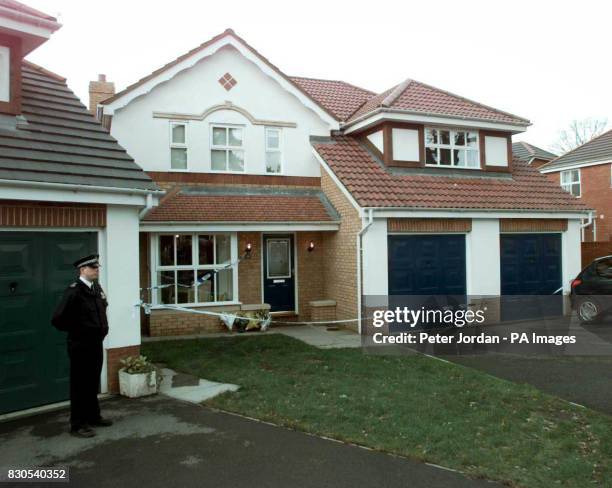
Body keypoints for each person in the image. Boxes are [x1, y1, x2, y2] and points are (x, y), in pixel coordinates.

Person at [51, 254, 113, 438]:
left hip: (95, 343)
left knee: (92, 381)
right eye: (93, 267)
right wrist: (79, 331)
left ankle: (93, 416)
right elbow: (58, 319)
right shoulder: (74, 291)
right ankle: (77, 424)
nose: (96, 270)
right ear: (82, 270)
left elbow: (103, 308)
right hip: (80, 345)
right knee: (79, 385)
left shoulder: (96, 288)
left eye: (97, 267)